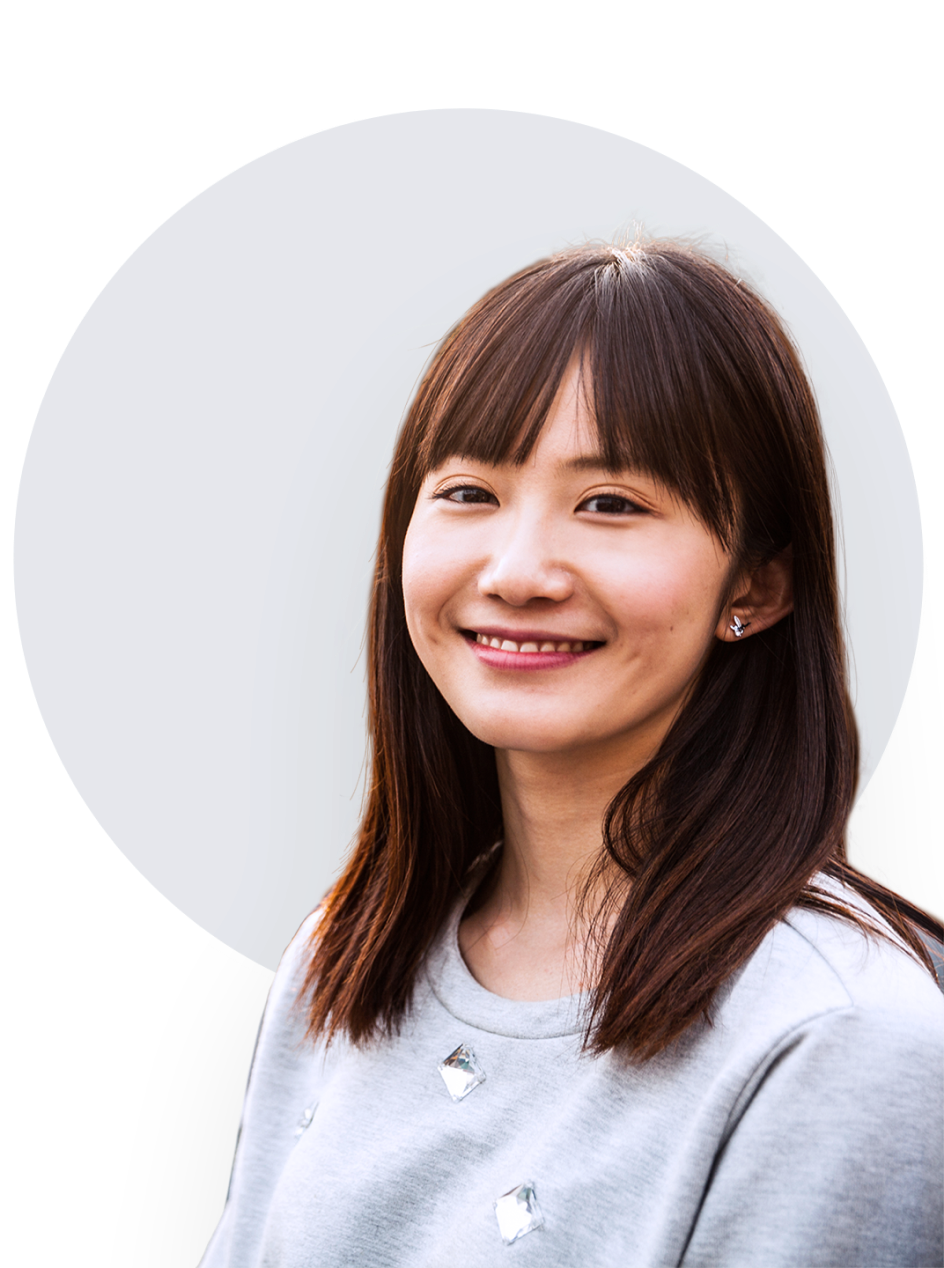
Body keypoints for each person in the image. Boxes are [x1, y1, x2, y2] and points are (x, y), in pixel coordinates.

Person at [200, 219, 944, 1266]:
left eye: (610, 503)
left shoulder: (841, 1036)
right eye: (468, 491)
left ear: (758, 583)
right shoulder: (345, 951)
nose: (516, 567)